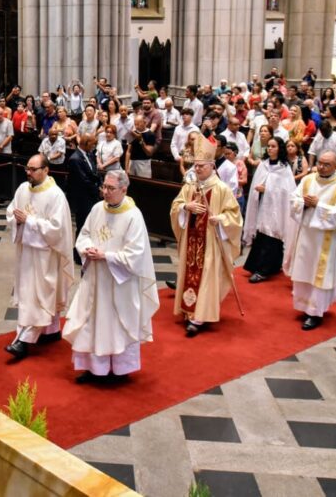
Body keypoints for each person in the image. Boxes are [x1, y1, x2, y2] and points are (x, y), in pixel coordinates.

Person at [64, 170, 158, 383]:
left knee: (116, 324)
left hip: (119, 283)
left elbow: (136, 254)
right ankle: (93, 367)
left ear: (124, 189)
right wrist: (87, 248)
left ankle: (119, 370)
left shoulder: (134, 216)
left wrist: (106, 256)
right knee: (91, 321)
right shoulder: (97, 209)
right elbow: (85, 234)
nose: (105, 192)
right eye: (104, 187)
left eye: (111, 188)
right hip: (96, 279)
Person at [4, 154, 75, 359]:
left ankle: (23, 341)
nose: (29, 173)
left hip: (46, 255)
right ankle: (50, 331)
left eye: (33, 169)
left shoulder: (56, 195)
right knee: (29, 294)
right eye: (27, 168)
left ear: (46, 170)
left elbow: (57, 229)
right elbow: (11, 211)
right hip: (26, 252)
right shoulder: (22, 189)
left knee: (40, 295)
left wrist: (30, 221)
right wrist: (17, 220)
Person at [169, 136, 242, 337]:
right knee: (190, 273)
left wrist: (220, 219)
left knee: (206, 275)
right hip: (191, 240)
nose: (197, 169)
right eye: (195, 166)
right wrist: (186, 207)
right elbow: (176, 206)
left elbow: (234, 216)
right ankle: (188, 310)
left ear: (211, 166)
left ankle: (199, 317)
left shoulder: (221, 189)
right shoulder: (190, 187)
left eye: (201, 166)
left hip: (210, 242)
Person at [285, 152, 336, 330]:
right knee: (304, 268)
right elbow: (294, 199)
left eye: (327, 164)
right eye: (320, 163)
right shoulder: (308, 180)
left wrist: (318, 205)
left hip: (326, 239)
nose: (321, 167)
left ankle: (315, 312)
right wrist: (304, 204)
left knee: (319, 273)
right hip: (307, 234)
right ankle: (303, 305)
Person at [243, 137, 297, 283]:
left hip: (276, 208)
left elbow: (287, 191)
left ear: (280, 148)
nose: (270, 149)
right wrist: (260, 191)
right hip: (262, 205)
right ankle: (259, 265)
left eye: (273, 146)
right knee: (262, 235)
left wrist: (268, 189)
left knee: (273, 236)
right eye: (269, 146)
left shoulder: (284, 167)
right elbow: (257, 182)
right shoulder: (263, 165)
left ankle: (264, 270)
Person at [67, 134, 101, 237]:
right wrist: (98, 189)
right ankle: (78, 252)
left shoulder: (90, 154)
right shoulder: (75, 159)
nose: (94, 146)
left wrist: (101, 184)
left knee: (93, 226)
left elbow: (95, 172)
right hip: (82, 199)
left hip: (92, 196)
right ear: (86, 143)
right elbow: (83, 180)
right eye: (93, 144)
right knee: (82, 226)